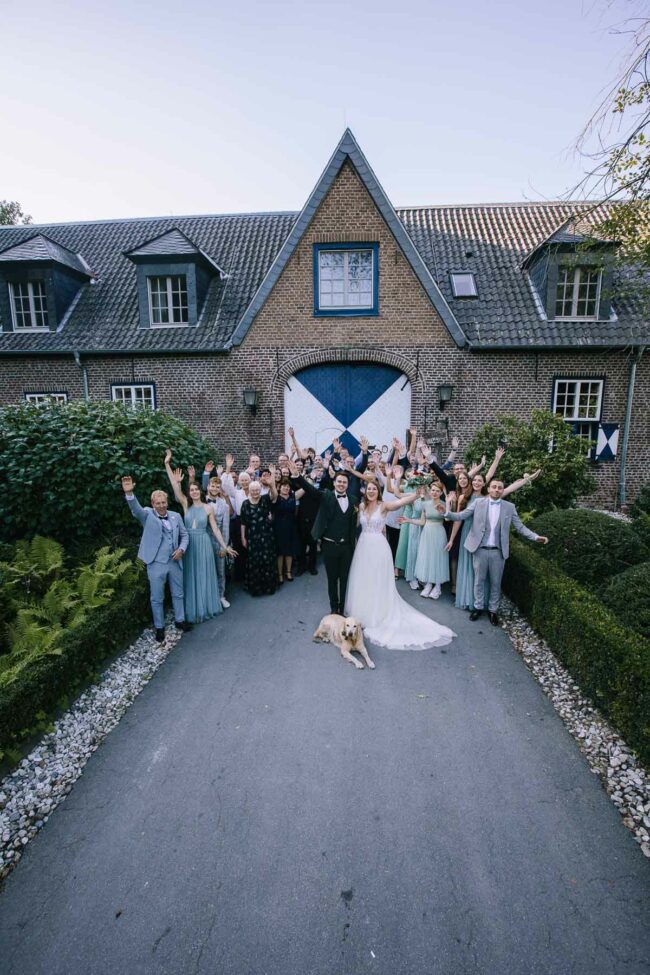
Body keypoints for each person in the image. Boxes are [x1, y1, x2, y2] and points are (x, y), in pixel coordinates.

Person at [344, 480, 455, 650]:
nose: (371, 491)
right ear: (365, 491)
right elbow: (355, 524)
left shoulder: (384, 505)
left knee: (378, 581)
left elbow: (399, 502)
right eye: (369, 489)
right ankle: (362, 613)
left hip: (379, 548)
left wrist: (415, 495)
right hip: (363, 547)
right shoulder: (360, 506)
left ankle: (378, 614)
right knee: (363, 580)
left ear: (378, 491)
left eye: (374, 488)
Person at [445, 477, 548, 625]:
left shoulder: (509, 507)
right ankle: (478, 607)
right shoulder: (478, 503)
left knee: (495, 582)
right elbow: (461, 516)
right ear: (489, 488)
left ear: (502, 490)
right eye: (494, 487)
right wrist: (447, 511)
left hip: (498, 552)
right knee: (478, 581)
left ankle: (493, 611)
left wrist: (536, 537)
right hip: (479, 549)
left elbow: (520, 527)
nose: (496, 490)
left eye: (500, 487)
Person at [164, 451, 236, 624]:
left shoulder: (208, 508)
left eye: (197, 489)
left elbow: (216, 530)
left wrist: (224, 547)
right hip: (189, 545)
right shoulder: (185, 505)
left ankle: (206, 605)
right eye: (192, 490)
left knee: (205, 575)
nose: (195, 492)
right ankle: (193, 607)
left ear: (200, 491)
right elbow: (174, 486)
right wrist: (167, 464)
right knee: (190, 575)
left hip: (205, 544)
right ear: (189, 492)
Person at [121, 475, 189, 642]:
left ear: (167, 502)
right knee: (157, 597)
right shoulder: (147, 515)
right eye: (157, 503)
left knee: (178, 593)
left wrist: (181, 548)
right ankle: (159, 627)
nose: (161, 506)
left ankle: (180, 621)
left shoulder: (175, 516)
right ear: (153, 504)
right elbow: (135, 509)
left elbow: (185, 535)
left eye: (163, 502)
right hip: (156, 563)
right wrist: (130, 493)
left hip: (175, 561)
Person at [290, 463, 357, 616]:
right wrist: (298, 477)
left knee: (345, 579)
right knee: (332, 579)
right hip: (329, 545)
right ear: (334, 482)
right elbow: (310, 490)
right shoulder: (326, 495)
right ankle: (334, 608)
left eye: (344, 482)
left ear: (348, 484)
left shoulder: (354, 500)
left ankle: (342, 609)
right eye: (339, 481)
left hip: (346, 547)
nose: (341, 484)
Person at [402, 482, 450, 599]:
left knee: (438, 557)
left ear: (440, 493)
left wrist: (447, 506)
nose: (434, 493)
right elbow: (422, 522)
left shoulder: (444, 504)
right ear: (430, 491)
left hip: (439, 532)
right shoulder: (425, 504)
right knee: (428, 557)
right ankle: (428, 584)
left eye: (437, 491)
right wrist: (409, 520)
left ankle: (437, 586)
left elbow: (448, 519)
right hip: (427, 532)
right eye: (433, 490)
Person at [197, 464, 232, 609]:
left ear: (219, 489)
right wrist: (206, 472)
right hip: (203, 540)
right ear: (208, 486)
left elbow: (225, 526)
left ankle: (221, 596)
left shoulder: (224, 505)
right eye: (213, 485)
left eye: (218, 487)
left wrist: (224, 546)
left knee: (220, 571)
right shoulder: (201, 501)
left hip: (218, 541)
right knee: (204, 570)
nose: (215, 489)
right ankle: (205, 597)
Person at [240, 472, 279, 596]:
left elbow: (275, 496)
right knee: (254, 562)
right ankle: (256, 589)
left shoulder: (265, 499)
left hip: (266, 535)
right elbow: (243, 523)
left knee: (267, 561)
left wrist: (271, 484)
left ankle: (269, 587)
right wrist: (243, 537)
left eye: (257, 490)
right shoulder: (245, 504)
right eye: (253, 490)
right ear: (249, 491)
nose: (255, 492)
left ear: (260, 490)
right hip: (252, 537)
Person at [273, 477, 302, 583]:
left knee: (289, 551)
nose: (286, 488)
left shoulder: (293, 497)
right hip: (279, 527)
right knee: (280, 552)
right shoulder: (276, 497)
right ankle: (280, 574)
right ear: (279, 487)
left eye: (288, 486)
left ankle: (288, 572)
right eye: (283, 486)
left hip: (291, 527)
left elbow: (305, 488)